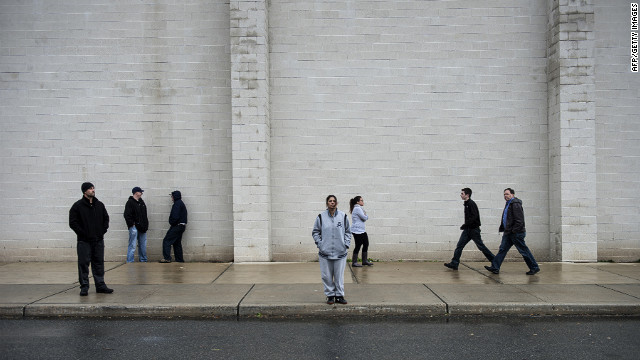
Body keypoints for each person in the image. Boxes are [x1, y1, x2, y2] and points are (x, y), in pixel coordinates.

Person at [68, 182, 114, 296]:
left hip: (98, 240)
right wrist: (83, 234)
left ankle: (100, 285)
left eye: (93, 188)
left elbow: (106, 219)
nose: (93, 190)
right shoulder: (77, 206)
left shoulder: (99, 205)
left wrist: (102, 231)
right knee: (83, 263)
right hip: (84, 241)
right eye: (90, 188)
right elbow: (73, 222)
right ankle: (84, 286)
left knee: (98, 263)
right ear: (84, 191)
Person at [485, 188, 541, 275]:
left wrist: (514, 231)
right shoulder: (509, 204)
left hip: (516, 233)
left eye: (507, 194)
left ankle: (534, 267)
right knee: (502, 249)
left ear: (512, 194)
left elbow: (519, 220)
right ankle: (495, 267)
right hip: (508, 232)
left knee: (523, 250)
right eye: (504, 194)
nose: (505, 196)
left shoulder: (515, 204)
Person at [312, 195, 351, 305]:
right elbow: (315, 232)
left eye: (334, 201)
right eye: (330, 201)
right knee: (326, 276)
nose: (332, 203)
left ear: (336, 203)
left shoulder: (343, 216)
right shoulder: (321, 217)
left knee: (339, 276)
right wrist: (320, 244)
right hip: (325, 253)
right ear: (327, 203)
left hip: (340, 252)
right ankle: (330, 296)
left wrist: (346, 244)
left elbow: (348, 231)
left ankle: (339, 295)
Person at [444, 188, 494, 270]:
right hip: (467, 230)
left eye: (462, 194)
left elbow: (474, 217)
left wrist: (465, 224)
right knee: (459, 246)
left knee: (481, 246)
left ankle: (495, 261)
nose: (461, 195)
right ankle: (454, 263)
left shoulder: (471, 204)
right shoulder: (467, 203)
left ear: (467, 195)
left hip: (474, 230)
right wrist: (465, 226)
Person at [159, 190, 188, 263]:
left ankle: (167, 258)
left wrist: (171, 222)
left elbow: (175, 216)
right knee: (177, 243)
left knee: (167, 241)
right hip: (181, 226)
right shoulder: (180, 203)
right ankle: (179, 259)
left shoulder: (177, 204)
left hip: (177, 226)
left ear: (174, 196)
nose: (171, 198)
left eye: (172, 196)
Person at [123, 186, 148, 263]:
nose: (141, 193)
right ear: (136, 192)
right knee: (133, 245)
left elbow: (144, 215)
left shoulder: (141, 202)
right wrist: (132, 224)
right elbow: (127, 215)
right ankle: (130, 261)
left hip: (142, 227)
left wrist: (146, 224)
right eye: (140, 192)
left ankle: (143, 260)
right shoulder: (130, 202)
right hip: (134, 227)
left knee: (143, 245)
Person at [349, 196, 373, 267]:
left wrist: (365, 215)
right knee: (358, 245)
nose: (363, 202)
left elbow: (364, 217)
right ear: (357, 202)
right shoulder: (357, 208)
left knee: (366, 243)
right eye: (361, 200)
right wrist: (366, 215)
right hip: (357, 230)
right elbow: (364, 218)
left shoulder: (359, 208)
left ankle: (364, 261)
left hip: (361, 230)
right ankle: (354, 262)